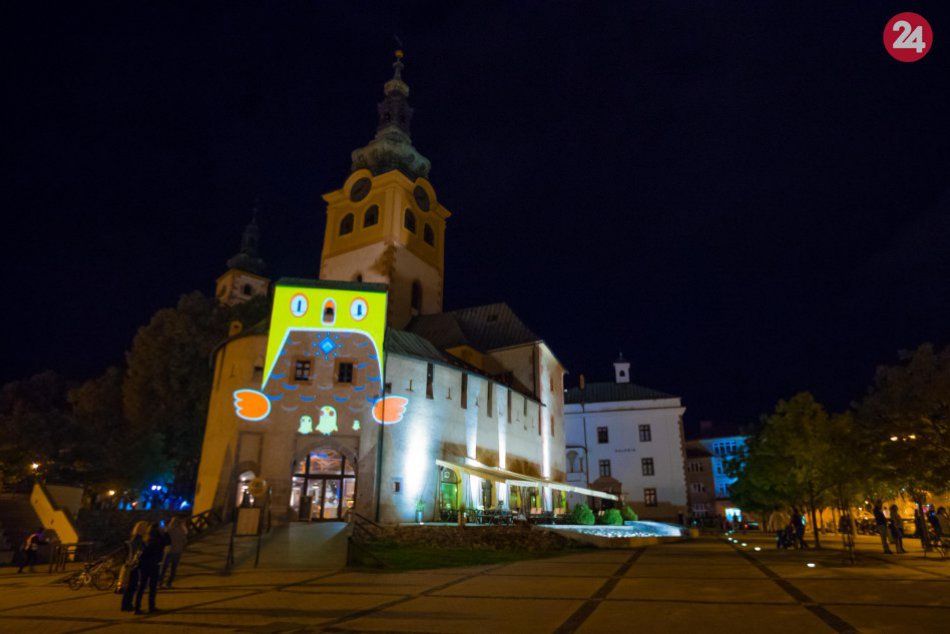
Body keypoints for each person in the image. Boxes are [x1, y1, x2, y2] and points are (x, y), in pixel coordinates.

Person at [133, 523, 171, 614]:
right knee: (152, 587)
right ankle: (151, 606)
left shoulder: (145, 539)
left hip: (144, 565)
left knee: (142, 586)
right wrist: (165, 532)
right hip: (154, 565)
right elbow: (169, 541)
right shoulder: (159, 539)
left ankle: (137, 607)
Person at [121, 521, 151, 611]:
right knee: (131, 586)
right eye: (145, 528)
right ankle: (126, 605)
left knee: (131, 586)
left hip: (132, 564)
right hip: (133, 565)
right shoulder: (138, 539)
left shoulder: (135, 538)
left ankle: (126, 604)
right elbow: (138, 551)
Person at [161, 517, 188, 588]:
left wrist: (162, 523)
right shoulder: (182, 531)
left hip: (169, 551)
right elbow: (185, 541)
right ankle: (169, 583)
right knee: (173, 568)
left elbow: (163, 537)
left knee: (164, 568)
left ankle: (160, 582)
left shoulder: (168, 530)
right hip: (178, 551)